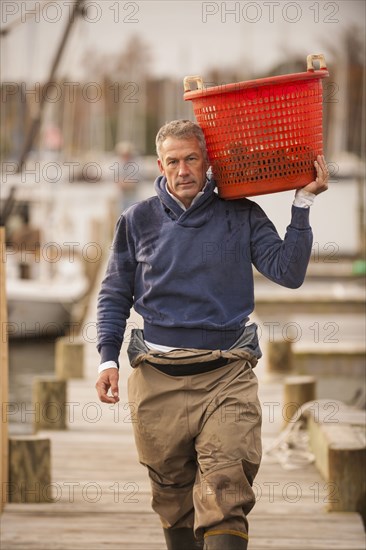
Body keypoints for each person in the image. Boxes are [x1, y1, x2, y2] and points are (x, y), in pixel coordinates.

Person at [95, 120, 329, 550]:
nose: (182, 170)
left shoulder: (241, 214)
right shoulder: (136, 220)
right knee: (172, 496)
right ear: (160, 166)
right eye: (172, 161)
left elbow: (288, 272)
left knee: (226, 489)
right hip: (156, 378)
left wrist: (302, 203)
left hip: (227, 376)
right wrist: (107, 358)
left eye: (191, 159)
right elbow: (113, 293)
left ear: (207, 162)